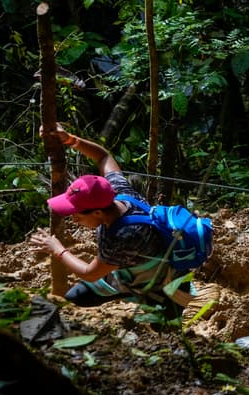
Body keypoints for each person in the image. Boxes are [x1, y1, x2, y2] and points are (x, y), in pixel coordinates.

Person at [28, 127, 193, 324]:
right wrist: (70, 139)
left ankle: (165, 314)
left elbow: (90, 273)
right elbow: (103, 156)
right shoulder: (118, 192)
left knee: (163, 333)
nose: (74, 220)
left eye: (77, 214)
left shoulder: (125, 236)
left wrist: (58, 250)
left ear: (98, 212)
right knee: (77, 297)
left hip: (166, 285)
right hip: (129, 272)